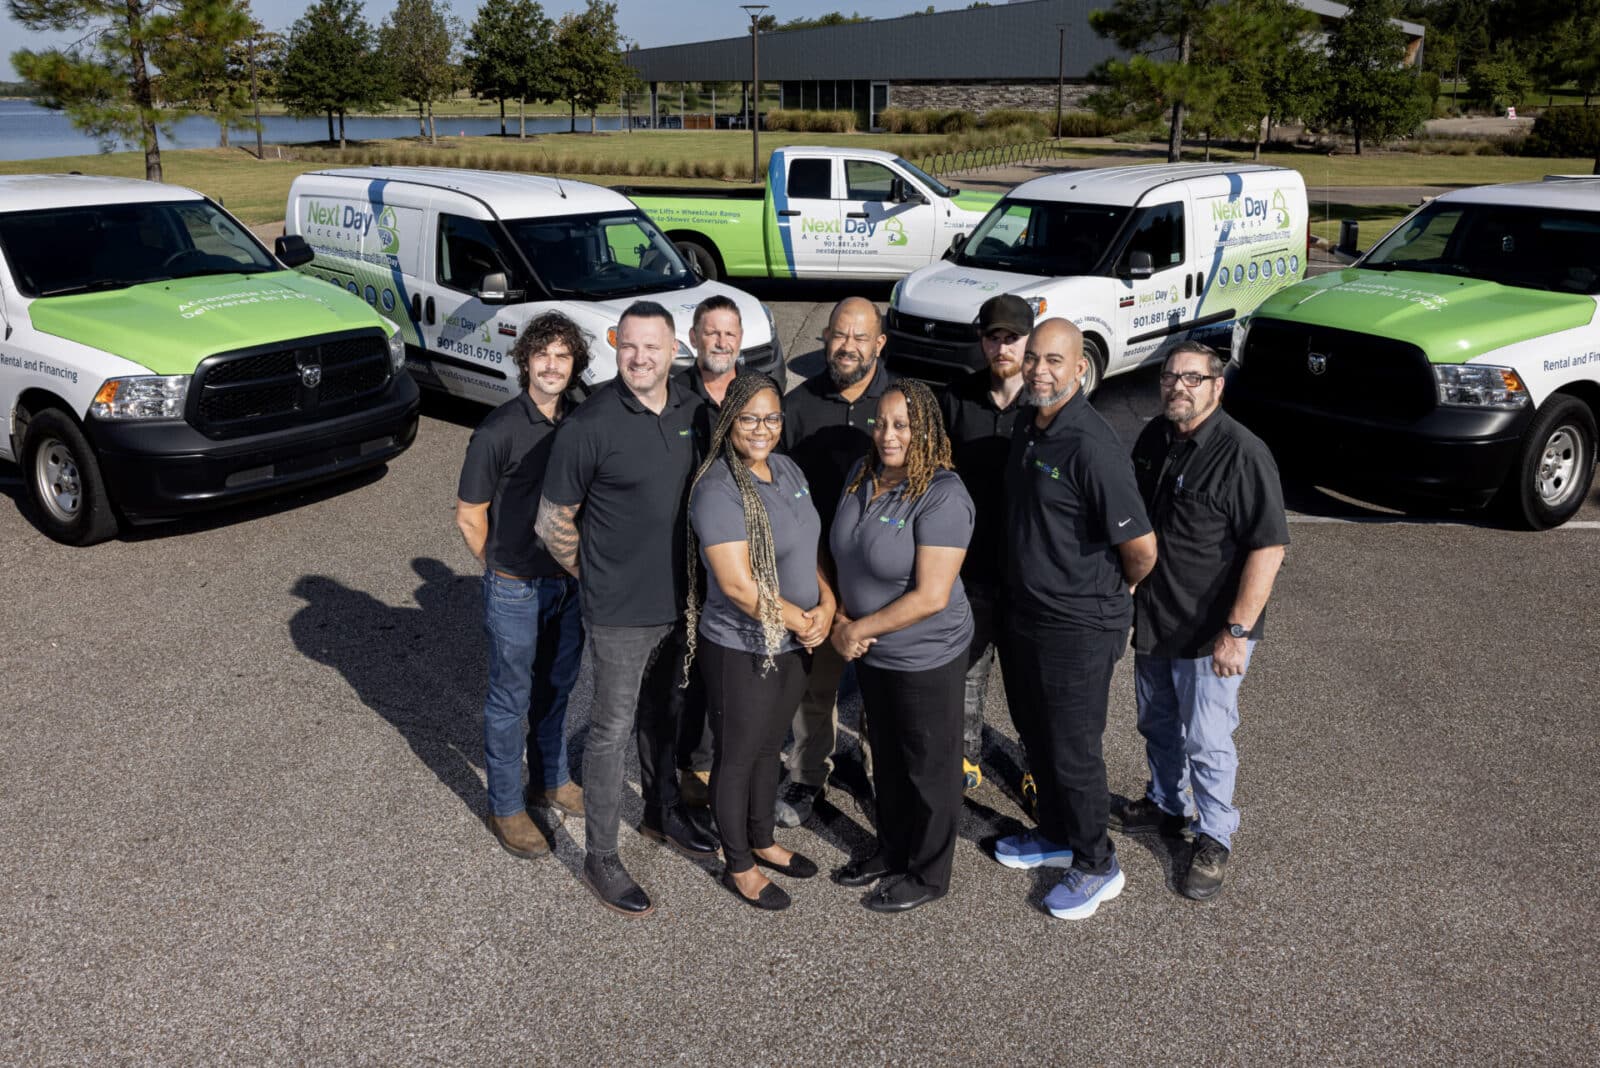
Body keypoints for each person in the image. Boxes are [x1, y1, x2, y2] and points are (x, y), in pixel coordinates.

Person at [536, 300, 718, 918]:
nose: (640, 359)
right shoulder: (589, 425)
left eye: (653, 347)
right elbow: (553, 522)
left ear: (674, 351)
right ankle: (601, 856)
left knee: (665, 717)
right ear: (617, 348)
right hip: (618, 613)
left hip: (682, 602)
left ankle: (663, 816)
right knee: (610, 733)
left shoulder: (697, 410)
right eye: (629, 347)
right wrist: (596, 580)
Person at [991, 318, 1158, 922]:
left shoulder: (1091, 443)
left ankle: (1098, 863)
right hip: (1026, 618)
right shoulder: (1029, 426)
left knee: (1073, 750)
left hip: (1079, 628)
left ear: (1080, 368)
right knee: (1037, 736)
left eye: (1054, 361)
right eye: (1033, 357)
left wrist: (1102, 600)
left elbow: (1141, 550)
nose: (1039, 369)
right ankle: (1058, 835)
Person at [1118, 341, 1289, 901]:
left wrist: (1237, 632)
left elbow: (1268, 549)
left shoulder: (1244, 454)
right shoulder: (1153, 438)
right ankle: (1167, 804)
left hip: (1213, 632)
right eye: (1170, 377)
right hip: (1156, 620)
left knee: (1209, 741)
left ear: (1218, 385)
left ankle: (1214, 836)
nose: (1178, 387)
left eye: (1192, 378)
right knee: (1157, 724)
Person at [684, 372, 835, 911]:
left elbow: (811, 547)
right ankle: (739, 864)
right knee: (739, 755)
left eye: (771, 417)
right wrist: (802, 619)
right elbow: (735, 585)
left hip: (793, 642)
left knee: (771, 749)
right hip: (742, 646)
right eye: (748, 418)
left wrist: (827, 604)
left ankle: (763, 839)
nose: (761, 429)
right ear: (729, 422)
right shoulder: (717, 489)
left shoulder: (788, 468)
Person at [829, 379, 974, 913]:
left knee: (928, 765)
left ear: (927, 430)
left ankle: (930, 871)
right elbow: (842, 554)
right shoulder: (863, 473)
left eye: (903, 426)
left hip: (924, 655)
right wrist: (844, 615)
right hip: (872, 653)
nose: (888, 435)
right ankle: (892, 848)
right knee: (887, 759)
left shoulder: (944, 495)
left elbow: (931, 596)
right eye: (882, 422)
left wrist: (856, 630)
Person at [455, 312, 589, 860]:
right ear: (525, 362)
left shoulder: (580, 421)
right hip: (515, 587)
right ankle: (507, 806)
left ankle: (551, 779)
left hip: (568, 583)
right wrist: (499, 567)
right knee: (509, 700)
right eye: (543, 355)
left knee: (556, 689)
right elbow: (469, 515)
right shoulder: (497, 430)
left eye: (563, 355)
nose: (552, 365)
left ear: (575, 363)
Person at [774, 296, 897, 827]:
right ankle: (806, 777)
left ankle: (882, 776)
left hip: (884, 582)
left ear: (880, 343)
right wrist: (820, 585)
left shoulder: (899, 407)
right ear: (825, 338)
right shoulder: (796, 409)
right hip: (817, 577)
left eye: (860, 337)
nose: (848, 347)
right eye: (838, 335)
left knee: (882, 689)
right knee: (814, 691)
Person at [939, 293, 1031, 799]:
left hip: (1025, 575)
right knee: (967, 674)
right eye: (994, 337)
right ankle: (964, 760)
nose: (1002, 347)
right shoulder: (956, 398)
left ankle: (1035, 769)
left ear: (1028, 341)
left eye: (1012, 338)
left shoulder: (1043, 403)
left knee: (1027, 682)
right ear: (982, 340)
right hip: (968, 571)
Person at [673, 294, 746, 809]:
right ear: (694, 337)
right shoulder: (675, 395)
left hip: (743, 548)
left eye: (730, 333)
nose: (720, 341)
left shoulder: (756, 393)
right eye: (711, 332)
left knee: (738, 655)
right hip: (685, 550)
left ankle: (737, 753)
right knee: (689, 661)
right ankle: (690, 764)